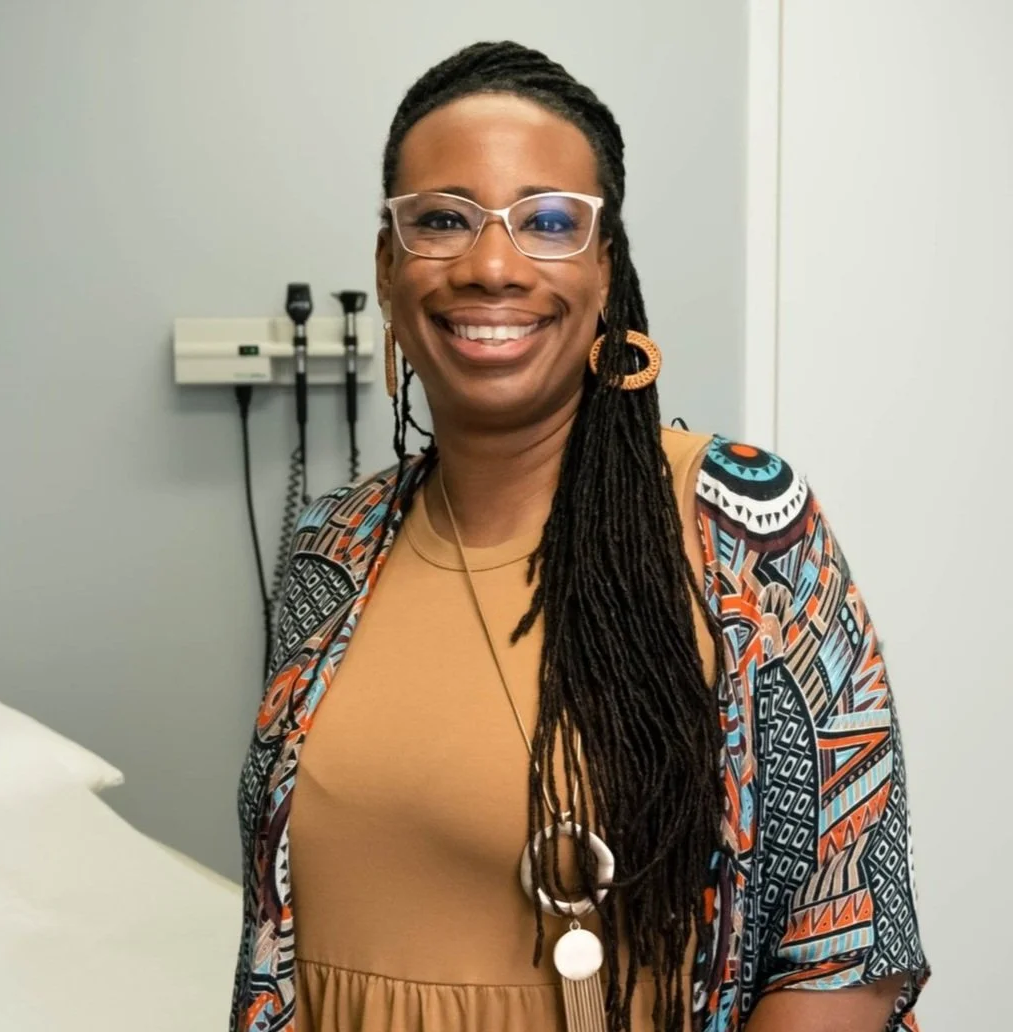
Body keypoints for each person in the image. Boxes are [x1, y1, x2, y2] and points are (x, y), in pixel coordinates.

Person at [231, 41, 929, 1032]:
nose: (491, 265)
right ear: (387, 272)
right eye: (442, 220)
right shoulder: (328, 554)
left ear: (607, 272)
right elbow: (276, 936)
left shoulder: (745, 525)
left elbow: (847, 947)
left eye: (549, 222)